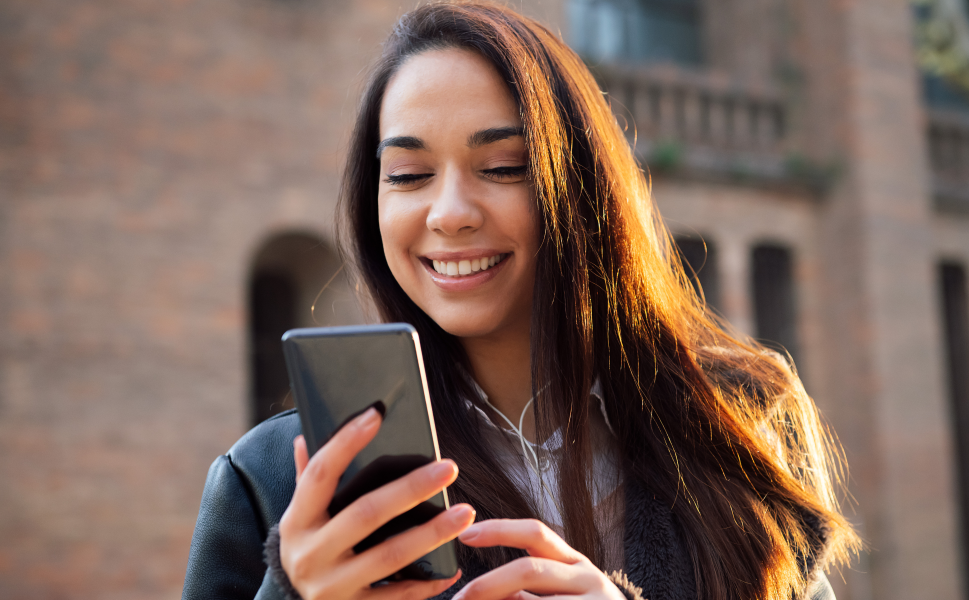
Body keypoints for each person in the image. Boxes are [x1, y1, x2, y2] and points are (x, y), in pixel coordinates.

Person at [182, 2, 860, 599]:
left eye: (503, 167)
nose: (448, 214)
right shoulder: (270, 485)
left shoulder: (736, 425)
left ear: (584, 189)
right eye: (410, 175)